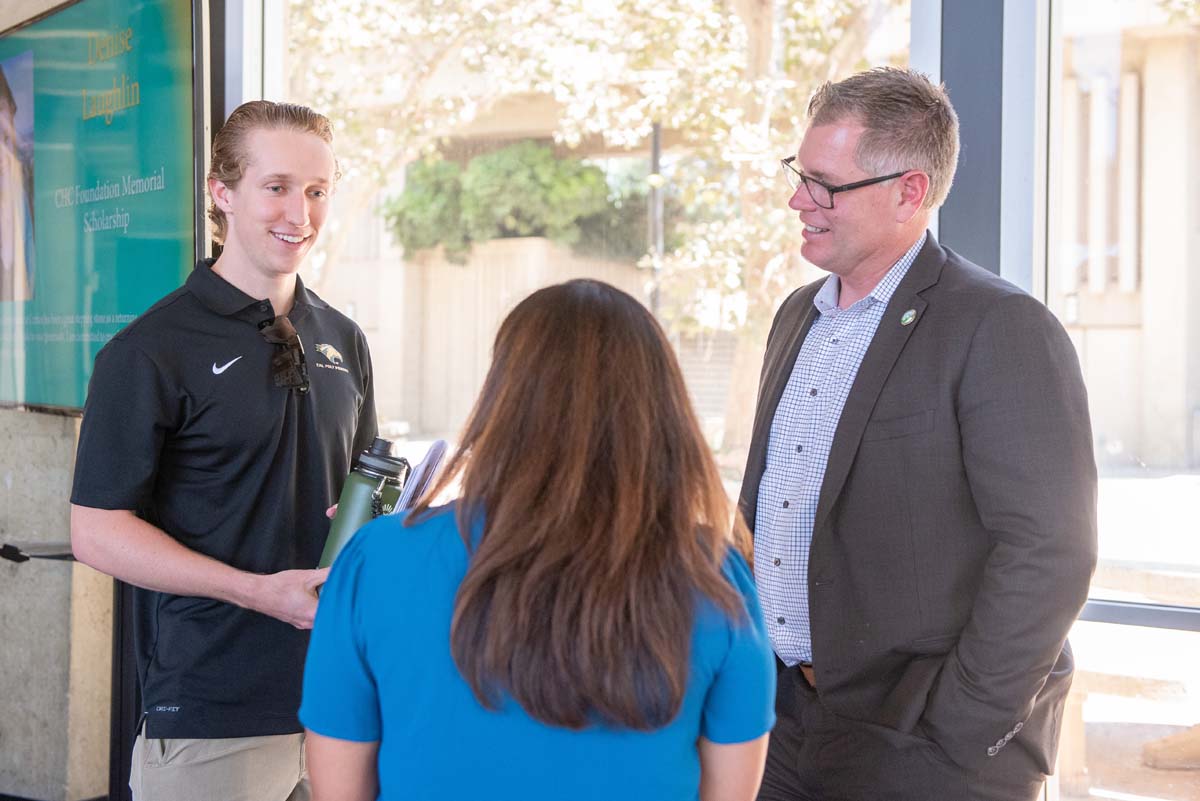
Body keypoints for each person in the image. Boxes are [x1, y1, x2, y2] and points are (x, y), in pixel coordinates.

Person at [740, 67, 1097, 801]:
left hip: (921, 743)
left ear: (909, 191)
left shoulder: (1000, 327)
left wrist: (960, 731)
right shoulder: (795, 317)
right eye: (799, 175)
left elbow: (1050, 550)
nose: (797, 200)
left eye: (825, 185)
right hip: (784, 725)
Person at [300, 279, 776, 801]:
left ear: (501, 401)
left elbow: (340, 790)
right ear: (661, 412)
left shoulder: (376, 561)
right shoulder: (714, 576)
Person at [70, 100, 377, 801]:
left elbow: (364, 486)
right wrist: (256, 592)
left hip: (339, 705)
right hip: (213, 713)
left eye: (317, 190)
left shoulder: (344, 338)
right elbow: (95, 531)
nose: (299, 212)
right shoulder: (148, 351)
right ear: (221, 192)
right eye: (276, 187)